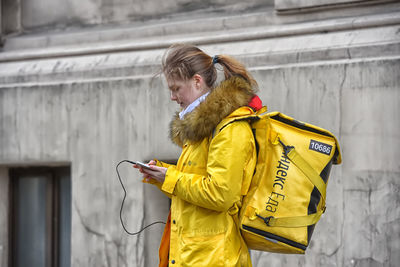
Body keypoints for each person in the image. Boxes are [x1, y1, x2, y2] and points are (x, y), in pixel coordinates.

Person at [135, 43, 263, 267]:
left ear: (196, 81)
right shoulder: (201, 129)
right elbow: (196, 182)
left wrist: (171, 178)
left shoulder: (228, 127)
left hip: (215, 259)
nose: (173, 97)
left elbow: (221, 194)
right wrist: (163, 175)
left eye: (176, 88)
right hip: (197, 257)